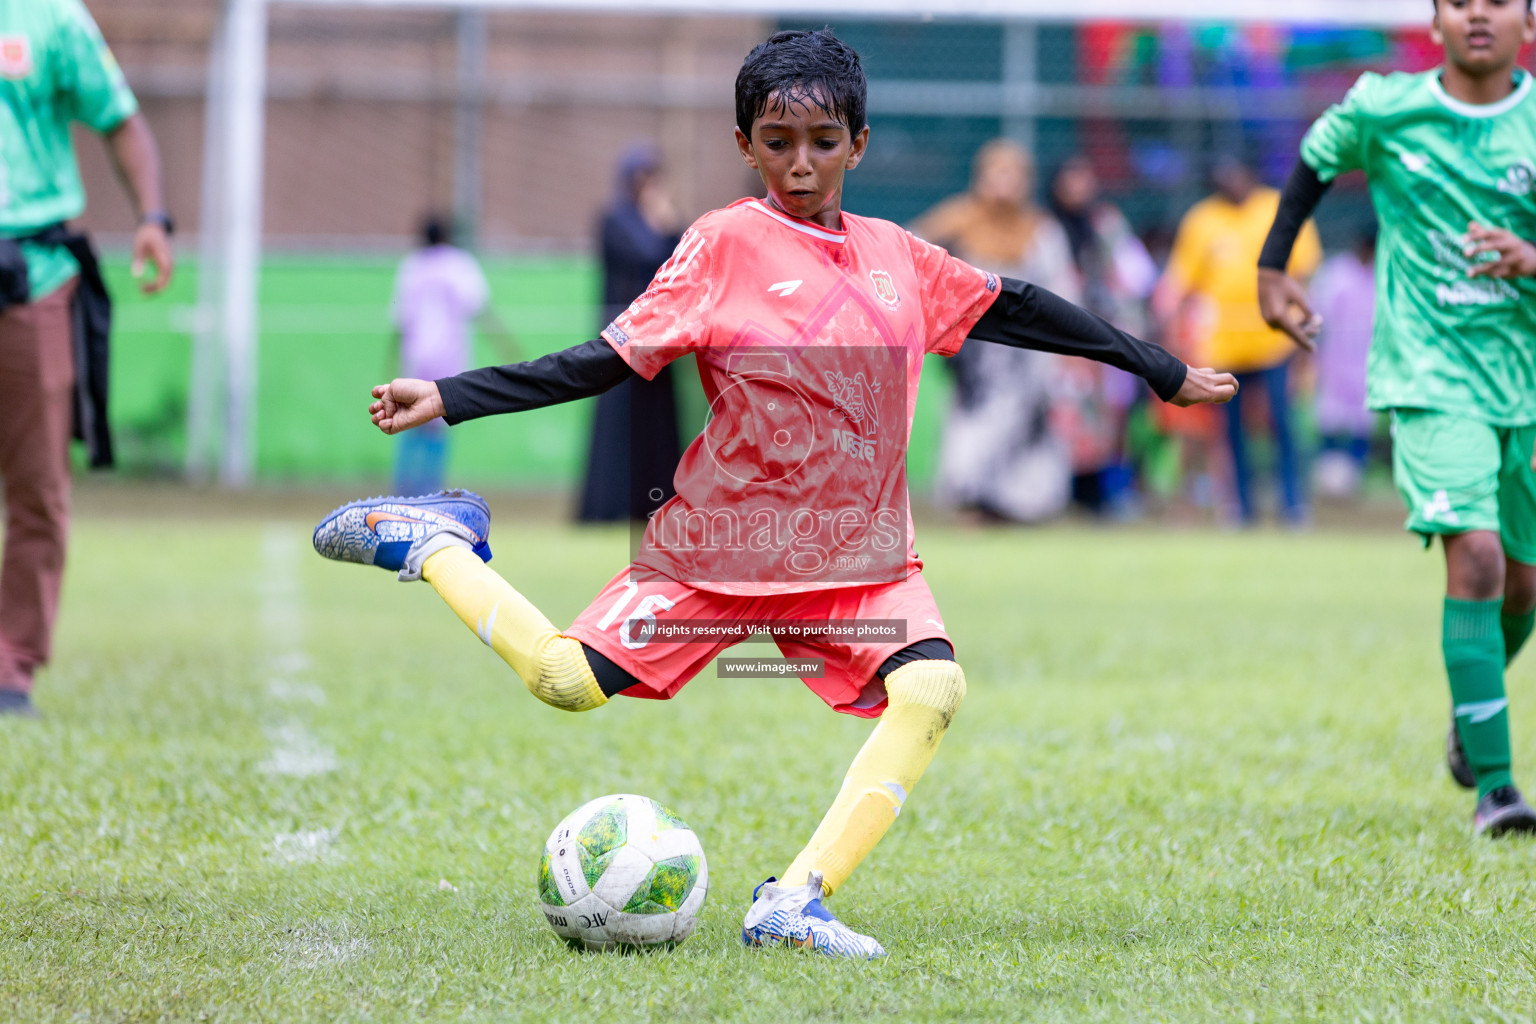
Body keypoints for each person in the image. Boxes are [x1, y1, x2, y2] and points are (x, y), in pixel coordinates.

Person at [312, 29, 1236, 956]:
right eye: (778, 141)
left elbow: (1022, 306)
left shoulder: (901, 258)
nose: (802, 164)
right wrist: (452, 396)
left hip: (861, 557)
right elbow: (604, 359)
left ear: (859, 143)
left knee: (933, 684)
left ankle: (794, 900)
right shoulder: (719, 245)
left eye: (824, 141)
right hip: (722, 546)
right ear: (747, 145)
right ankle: (432, 541)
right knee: (564, 681)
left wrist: (1156, 367)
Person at [1257, 0, 1536, 835]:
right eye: (1460, 0)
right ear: (1437, 20)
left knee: (1525, 582)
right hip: (1430, 378)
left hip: (1525, 383)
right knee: (1479, 559)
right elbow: (1314, 158)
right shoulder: (1385, 106)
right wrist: (1274, 268)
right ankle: (1498, 789)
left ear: (1528, 18)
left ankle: (1472, 707)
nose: (1478, 14)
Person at [0, 0, 174, 718]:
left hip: (33, 275)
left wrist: (152, 218)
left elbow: (120, 118)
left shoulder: (50, 16)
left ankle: (11, 667)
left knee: (39, 486)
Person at [912, 139, 1082, 524]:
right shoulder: (956, 220)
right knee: (973, 425)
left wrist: (1069, 343)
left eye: (1013, 174)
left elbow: (1062, 289)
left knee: (1027, 426)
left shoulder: (1040, 230)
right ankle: (970, 500)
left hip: (1029, 349)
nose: (1004, 182)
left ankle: (1018, 507)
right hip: (977, 350)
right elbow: (909, 259)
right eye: (997, 172)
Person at [1161, 156, 1322, 527]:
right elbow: (1183, 282)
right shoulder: (1202, 219)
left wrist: (1304, 332)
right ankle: (1242, 507)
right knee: (1231, 432)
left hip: (1274, 340)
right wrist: (1174, 331)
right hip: (1223, 346)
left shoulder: (1277, 207)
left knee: (1283, 423)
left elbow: (1304, 271)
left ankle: (1293, 504)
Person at [577, 144, 685, 522]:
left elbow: (681, 262)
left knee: (658, 428)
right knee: (617, 427)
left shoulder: (664, 218)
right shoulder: (615, 219)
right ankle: (612, 508)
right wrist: (660, 223)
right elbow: (645, 253)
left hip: (660, 339)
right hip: (622, 342)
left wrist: (668, 224)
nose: (649, 185)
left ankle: (656, 504)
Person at [1048, 156, 1159, 514]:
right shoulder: (1047, 228)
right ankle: (1059, 492)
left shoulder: (1106, 225)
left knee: (1110, 417)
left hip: (1102, 336)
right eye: (1070, 180)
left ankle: (1105, 492)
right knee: (1063, 415)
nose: (1078, 189)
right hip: (1055, 339)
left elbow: (1137, 276)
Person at [389, 214, 507, 496]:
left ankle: (402, 490)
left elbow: (401, 319)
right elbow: (480, 308)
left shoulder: (411, 266)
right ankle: (429, 490)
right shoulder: (459, 264)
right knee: (438, 422)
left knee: (407, 421)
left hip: (416, 358)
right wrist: (504, 343)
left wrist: (391, 359)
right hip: (447, 358)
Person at [1307, 225, 1378, 500]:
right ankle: (1328, 488)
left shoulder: (1380, 273)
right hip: (1335, 360)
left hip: (1367, 362)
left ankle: (1354, 485)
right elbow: (1316, 315)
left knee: (1362, 423)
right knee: (1330, 421)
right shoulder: (1336, 273)